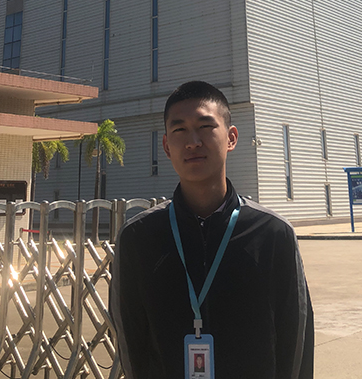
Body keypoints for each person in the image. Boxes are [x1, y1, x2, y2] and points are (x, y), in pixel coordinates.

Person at [110, 81, 314, 378]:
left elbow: (295, 340)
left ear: (231, 138)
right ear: (166, 146)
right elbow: (131, 341)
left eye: (205, 127)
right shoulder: (138, 237)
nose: (192, 142)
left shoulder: (273, 233)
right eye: (179, 130)